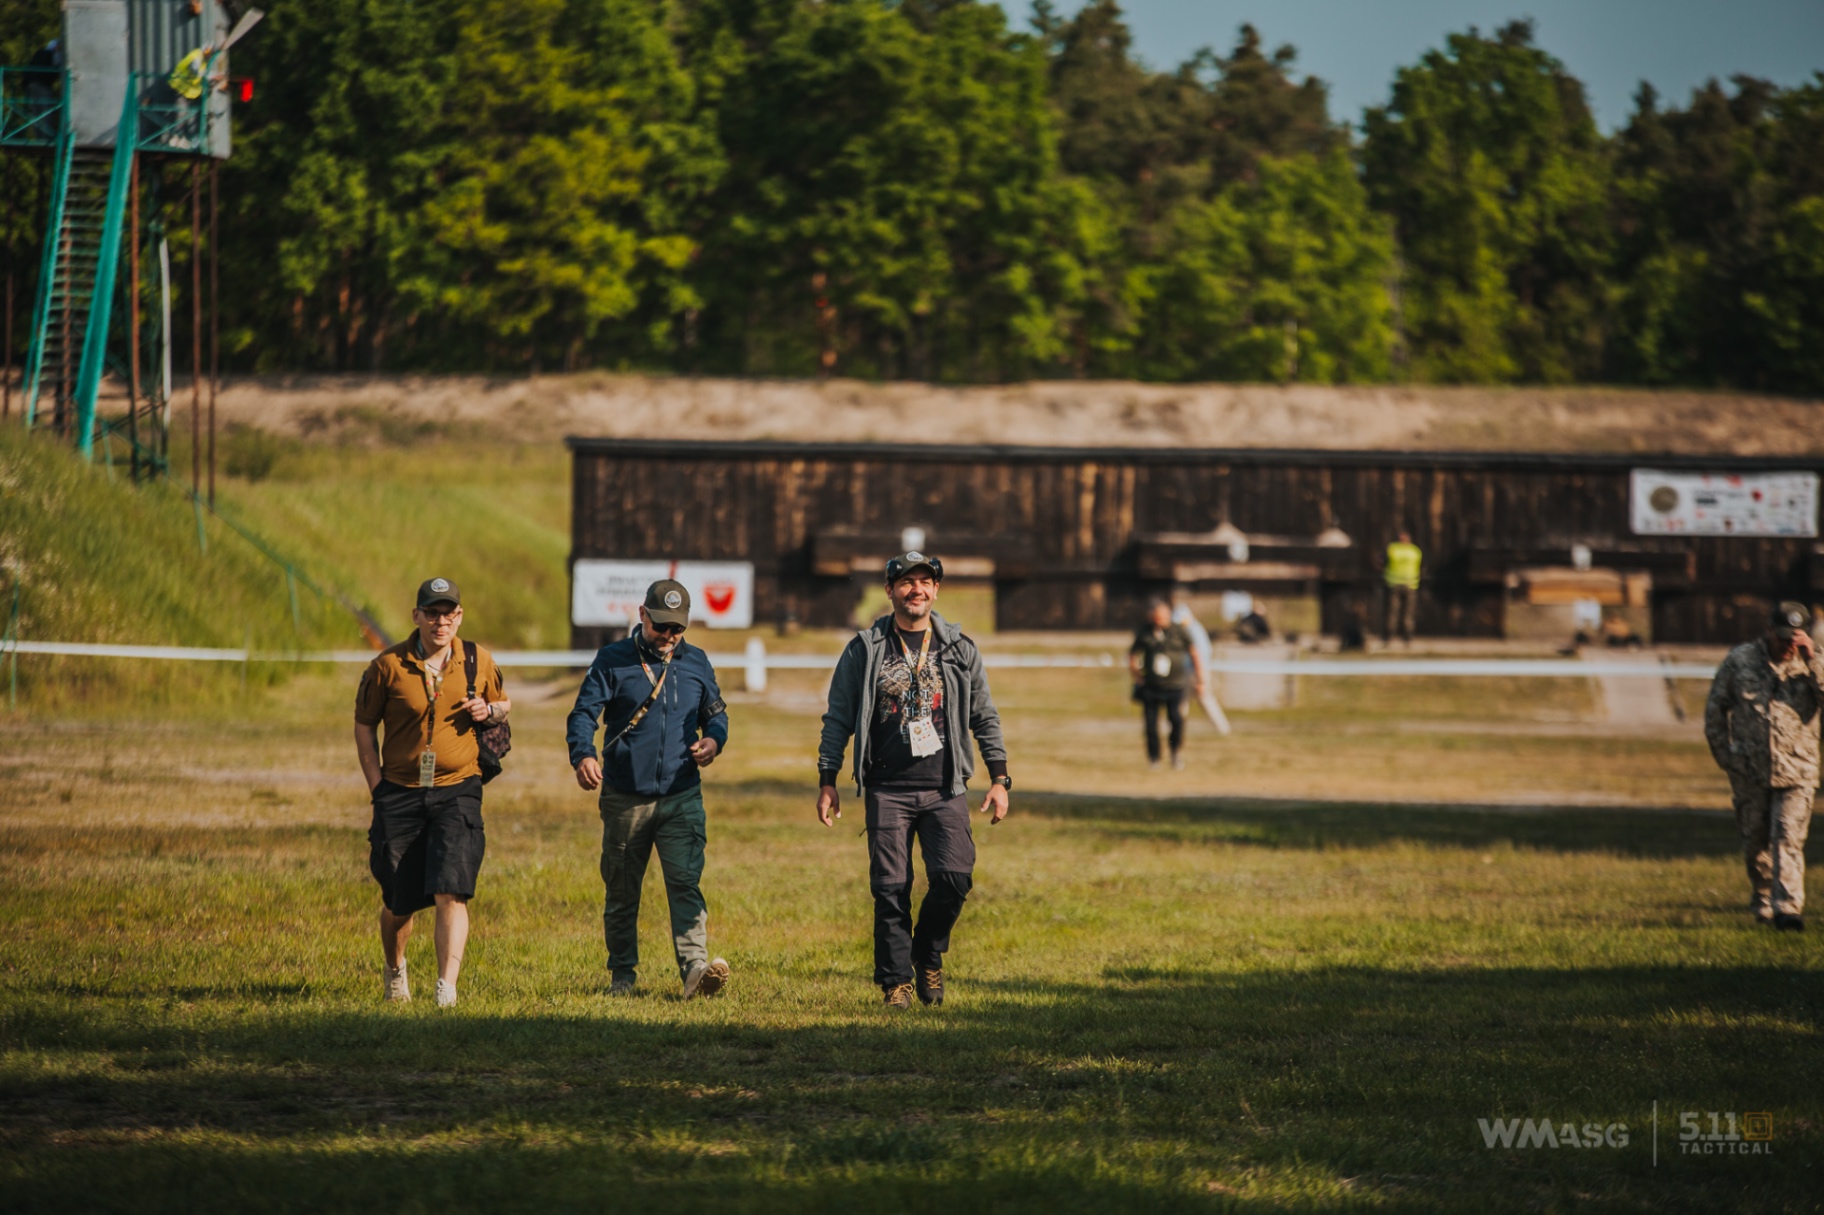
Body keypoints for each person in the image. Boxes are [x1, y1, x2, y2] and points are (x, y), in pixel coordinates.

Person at [816, 551, 1011, 1010]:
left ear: (936, 590)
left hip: (945, 787)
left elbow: (985, 716)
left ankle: (928, 953)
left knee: (954, 877)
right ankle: (895, 982)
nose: (916, 589)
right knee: (890, 887)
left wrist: (1000, 778)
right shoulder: (866, 648)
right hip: (887, 788)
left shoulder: (959, 648)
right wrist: (828, 778)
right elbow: (837, 717)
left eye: (925, 581)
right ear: (890, 591)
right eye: (906, 582)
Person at [568, 580, 732, 998]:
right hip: (625, 797)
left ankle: (695, 971)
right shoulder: (611, 659)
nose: (669, 636)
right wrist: (583, 754)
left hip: (682, 796)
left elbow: (717, 716)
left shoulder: (697, 661)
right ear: (642, 615)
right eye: (661, 626)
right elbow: (583, 714)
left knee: (684, 883)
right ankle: (622, 976)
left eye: (677, 628)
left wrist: (714, 741)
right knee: (622, 892)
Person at [355, 577, 510, 1007]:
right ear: (416, 616)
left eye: (449, 613)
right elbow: (365, 726)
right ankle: (395, 969)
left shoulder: (477, 660)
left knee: (452, 887)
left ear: (459, 616)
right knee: (399, 901)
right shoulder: (386, 666)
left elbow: (504, 704)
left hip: (459, 788)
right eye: (432, 613)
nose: (440, 621)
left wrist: (489, 709)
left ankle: (446, 989)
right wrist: (377, 788)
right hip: (400, 792)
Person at [1704, 601, 1823, 931]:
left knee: (1787, 836)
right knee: (1755, 843)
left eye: (1794, 639)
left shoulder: (1813, 663)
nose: (1788, 646)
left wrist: (1813, 661)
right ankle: (1763, 897)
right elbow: (1716, 708)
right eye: (1782, 638)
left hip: (1798, 770)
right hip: (1749, 771)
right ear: (1768, 631)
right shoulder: (1740, 661)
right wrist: (1726, 757)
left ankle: (1788, 908)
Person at [1130, 599, 1207, 769]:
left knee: (1176, 721)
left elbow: (1194, 654)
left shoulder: (1180, 631)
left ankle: (1175, 753)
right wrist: (1138, 677)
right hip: (1151, 686)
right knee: (1150, 725)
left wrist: (1199, 679)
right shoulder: (1145, 632)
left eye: (1162, 617)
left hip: (1175, 685)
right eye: (1156, 618)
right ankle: (1154, 758)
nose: (1160, 621)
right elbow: (1133, 655)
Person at [1382, 530, 1422, 646]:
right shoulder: (1415, 551)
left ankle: (1389, 637)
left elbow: (1382, 561)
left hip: (1394, 584)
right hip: (1411, 584)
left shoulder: (1392, 549)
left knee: (1393, 612)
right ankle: (1407, 637)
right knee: (1408, 613)